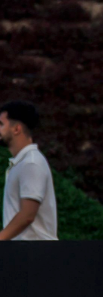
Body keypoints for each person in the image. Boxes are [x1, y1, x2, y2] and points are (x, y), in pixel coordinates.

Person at [0, 100, 57, 241]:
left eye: (1, 124)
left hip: (35, 254)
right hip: (26, 253)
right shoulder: (22, 163)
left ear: (16, 129)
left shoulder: (31, 163)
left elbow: (27, 215)